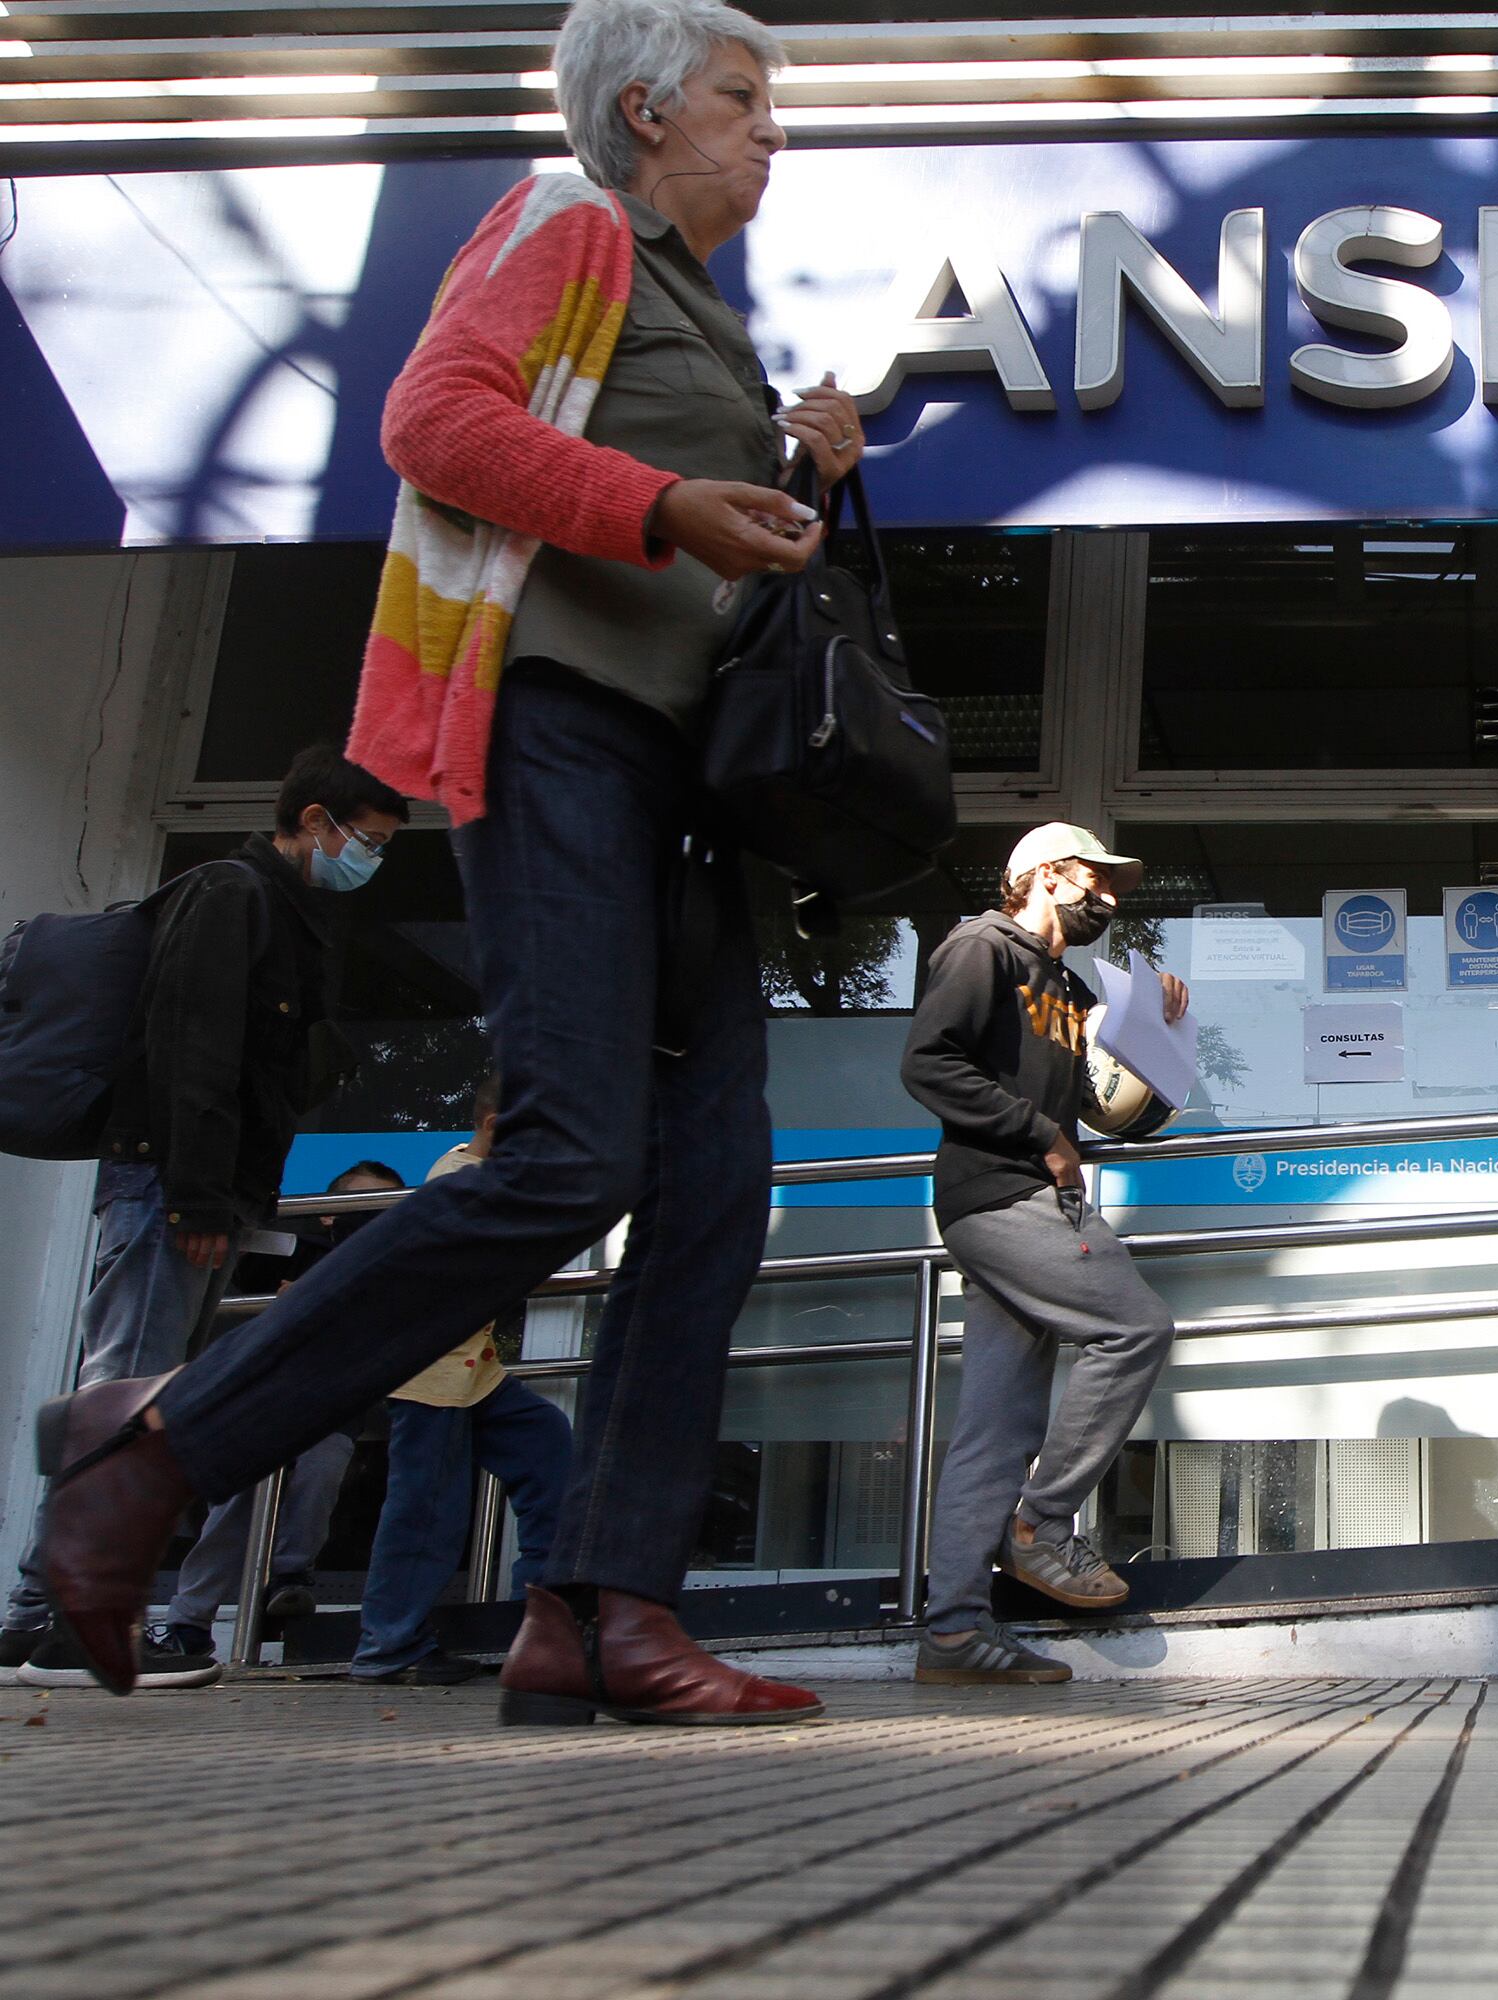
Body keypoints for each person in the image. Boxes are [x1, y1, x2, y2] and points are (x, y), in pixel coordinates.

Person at [24, 0, 853, 1722]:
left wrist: (788, 477)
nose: (775, 131)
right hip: (554, 732)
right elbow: (434, 423)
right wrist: (665, 508)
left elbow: (676, 532)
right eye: (743, 97)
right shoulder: (566, 222)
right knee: (568, 1156)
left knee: (712, 1186)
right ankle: (157, 1453)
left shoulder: (703, 307)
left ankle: (600, 1613)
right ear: (642, 110)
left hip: (682, 780)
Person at [3, 748, 405, 1690]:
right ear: (315, 820)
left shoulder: (290, 912)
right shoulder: (232, 895)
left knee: (134, 1397)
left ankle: (38, 1608)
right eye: (370, 841)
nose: (371, 860)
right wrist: (196, 1195)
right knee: (127, 1396)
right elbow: (193, 1047)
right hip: (175, 1186)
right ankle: (68, 1618)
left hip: (202, 1188)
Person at [898, 824, 1186, 1688]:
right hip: (1004, 1194)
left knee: (996, 1427)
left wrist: (1145, 1027)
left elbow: (1112, 1110)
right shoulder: (981, 948)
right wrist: (1042, 1139)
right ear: (1047, 876)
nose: (1110, 896)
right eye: (1098, 880)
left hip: (1021, 1198)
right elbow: (928, 1065)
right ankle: (1044, 1526)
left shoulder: (1059, 985)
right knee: (1135, 1327)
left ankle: (953, 1634)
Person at [139, 1162, 408, 1684]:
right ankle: (188, 1623)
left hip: (330, 1401)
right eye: (361, 1204)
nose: (371, 1217)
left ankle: (290, 1576)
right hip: (263, 1397)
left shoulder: (392, 1264)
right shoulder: (294, 1249)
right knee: (236, 1501)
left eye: (384, 1206)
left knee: (321, 1471)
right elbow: (234, 1276)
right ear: (329, 1214)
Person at [349, 1081, 575, 1686]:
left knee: (547, 1444)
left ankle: (551, 1615)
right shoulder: (461, 1181)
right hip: (432, 1371)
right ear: (497, 1125)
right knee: (425, 1512)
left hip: (472, 1368)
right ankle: (387, 1646)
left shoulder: (478, 1174)